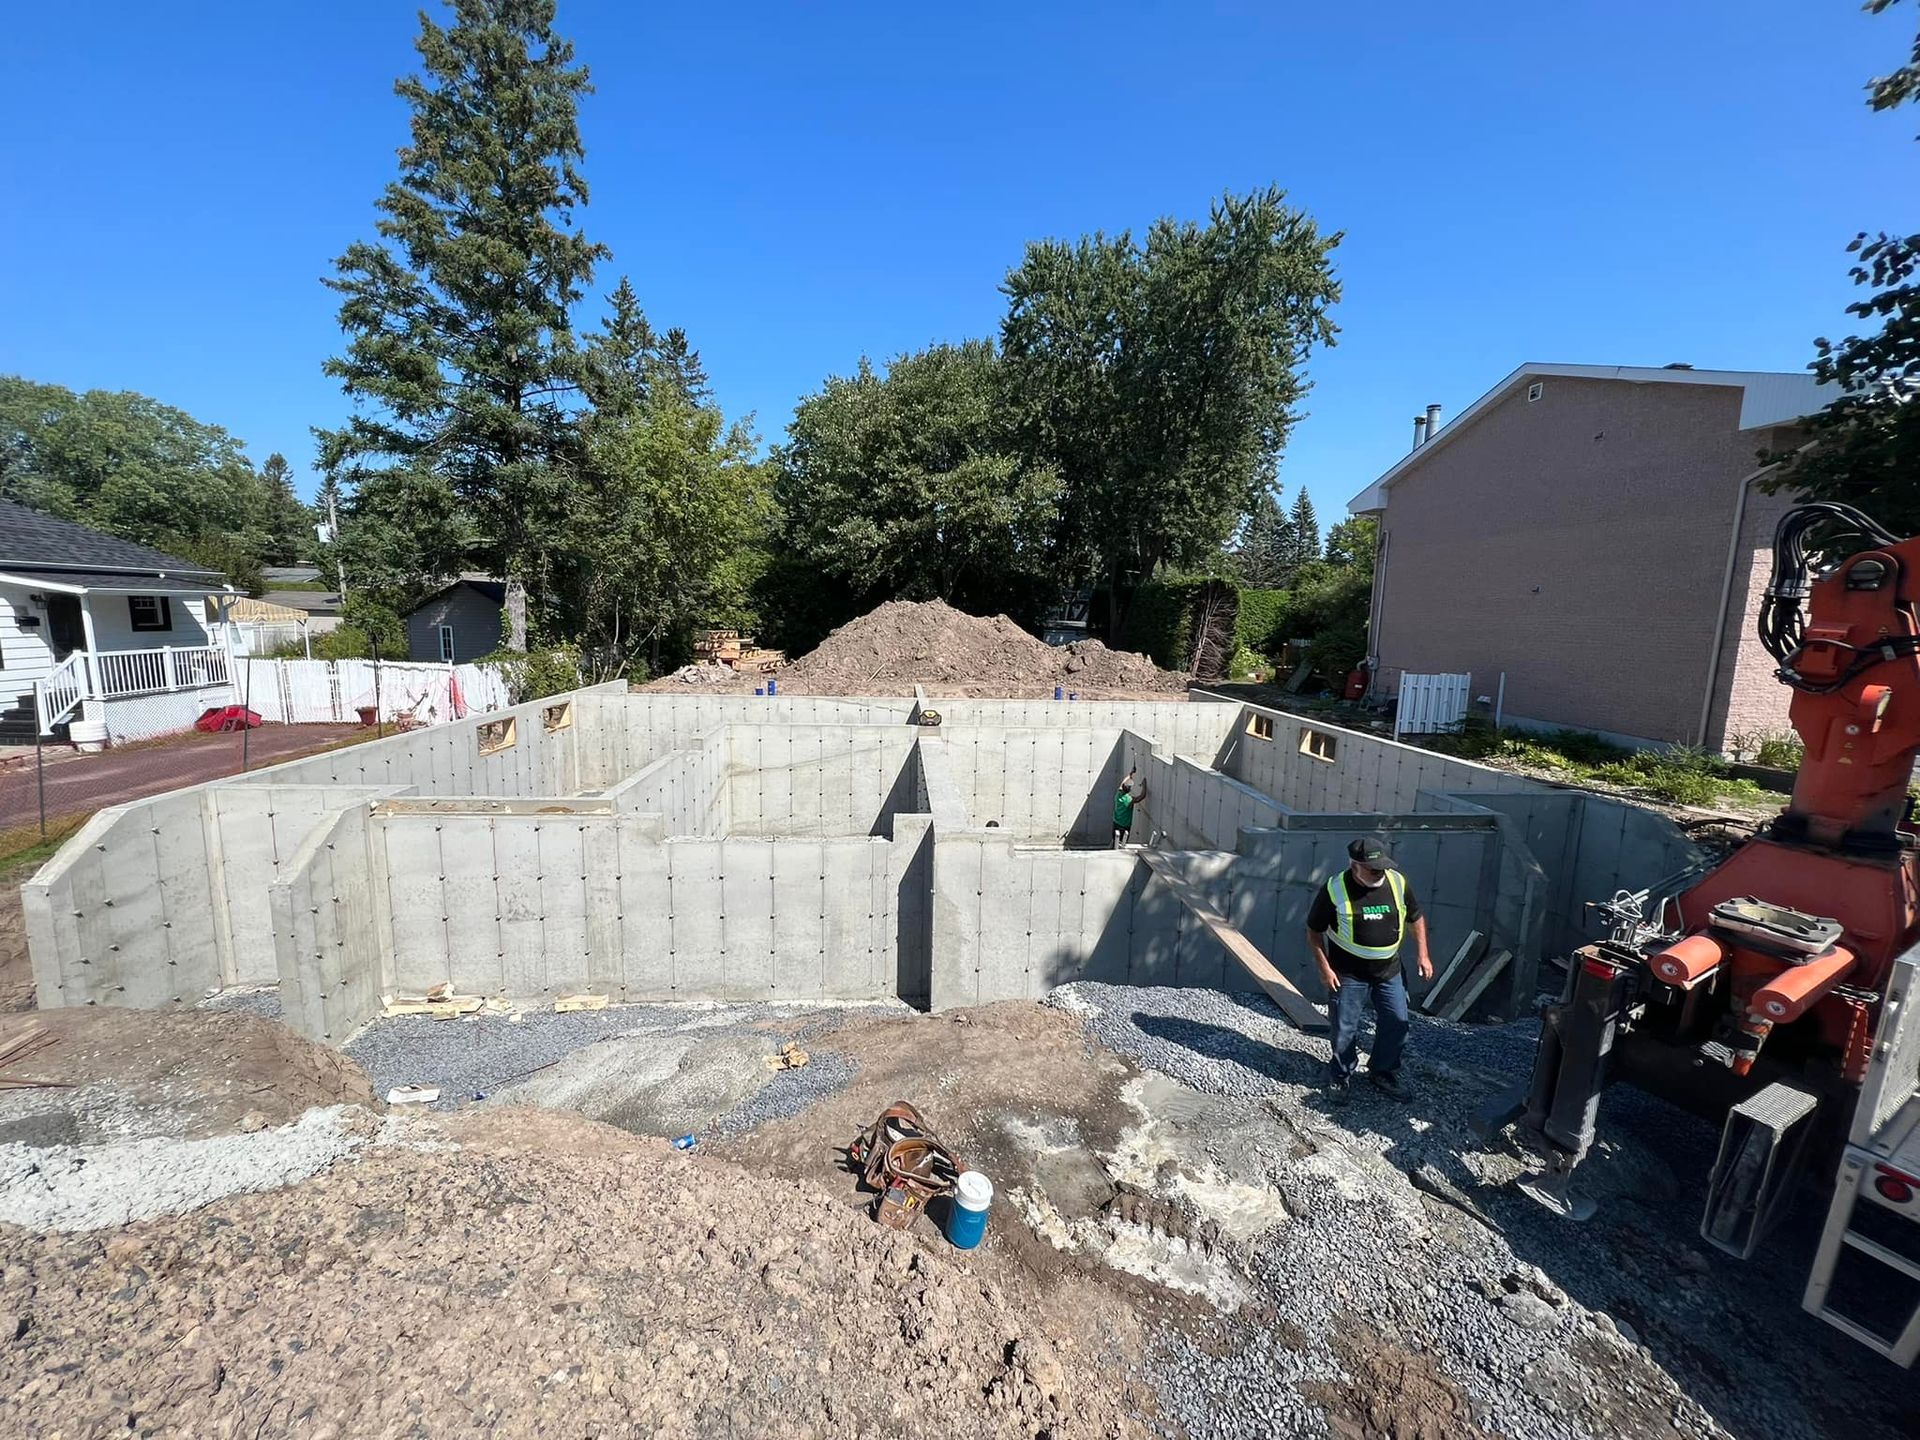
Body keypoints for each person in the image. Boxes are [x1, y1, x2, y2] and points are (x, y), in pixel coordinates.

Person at [1305, 836, 1432, 1102]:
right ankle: (1341, 1074)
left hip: (1389, 970)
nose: (1380, 873)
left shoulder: (1397, 883)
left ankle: (1383, 1071)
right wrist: (1325, 969)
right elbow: (1314, 932)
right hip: (1348, 974)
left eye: (1383, 867)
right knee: (1344, 1028)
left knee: (1397, 1023)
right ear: (1355, 867)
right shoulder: (1334, 890)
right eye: (1373, 869)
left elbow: (1416, 916)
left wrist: (1423, 954)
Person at [1112, 769, 1142, 847]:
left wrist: (1130, 774)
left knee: (1114, 842)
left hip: (1116, 823)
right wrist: (1144, 784)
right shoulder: (1129, 800)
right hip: (1125, 827)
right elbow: (1142, 796)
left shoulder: (1118, 794)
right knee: (1122, 844)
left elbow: (1123, 783)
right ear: (1129, 789)